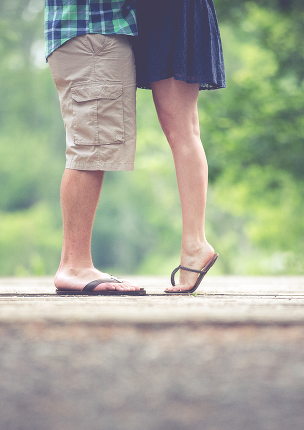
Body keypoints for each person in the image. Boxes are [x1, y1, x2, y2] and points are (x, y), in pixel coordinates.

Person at [45, 0, 145, 295]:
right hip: (93, 37)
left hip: (91, 37)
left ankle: (74, 263)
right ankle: (74, 266)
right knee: (90, 149)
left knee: (92, 149)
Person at [133, 0, 224, 294]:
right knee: (185, 128)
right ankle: (194, 244)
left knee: (181, 129)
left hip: (170, 13)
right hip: (173, 13)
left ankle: (195, 245)